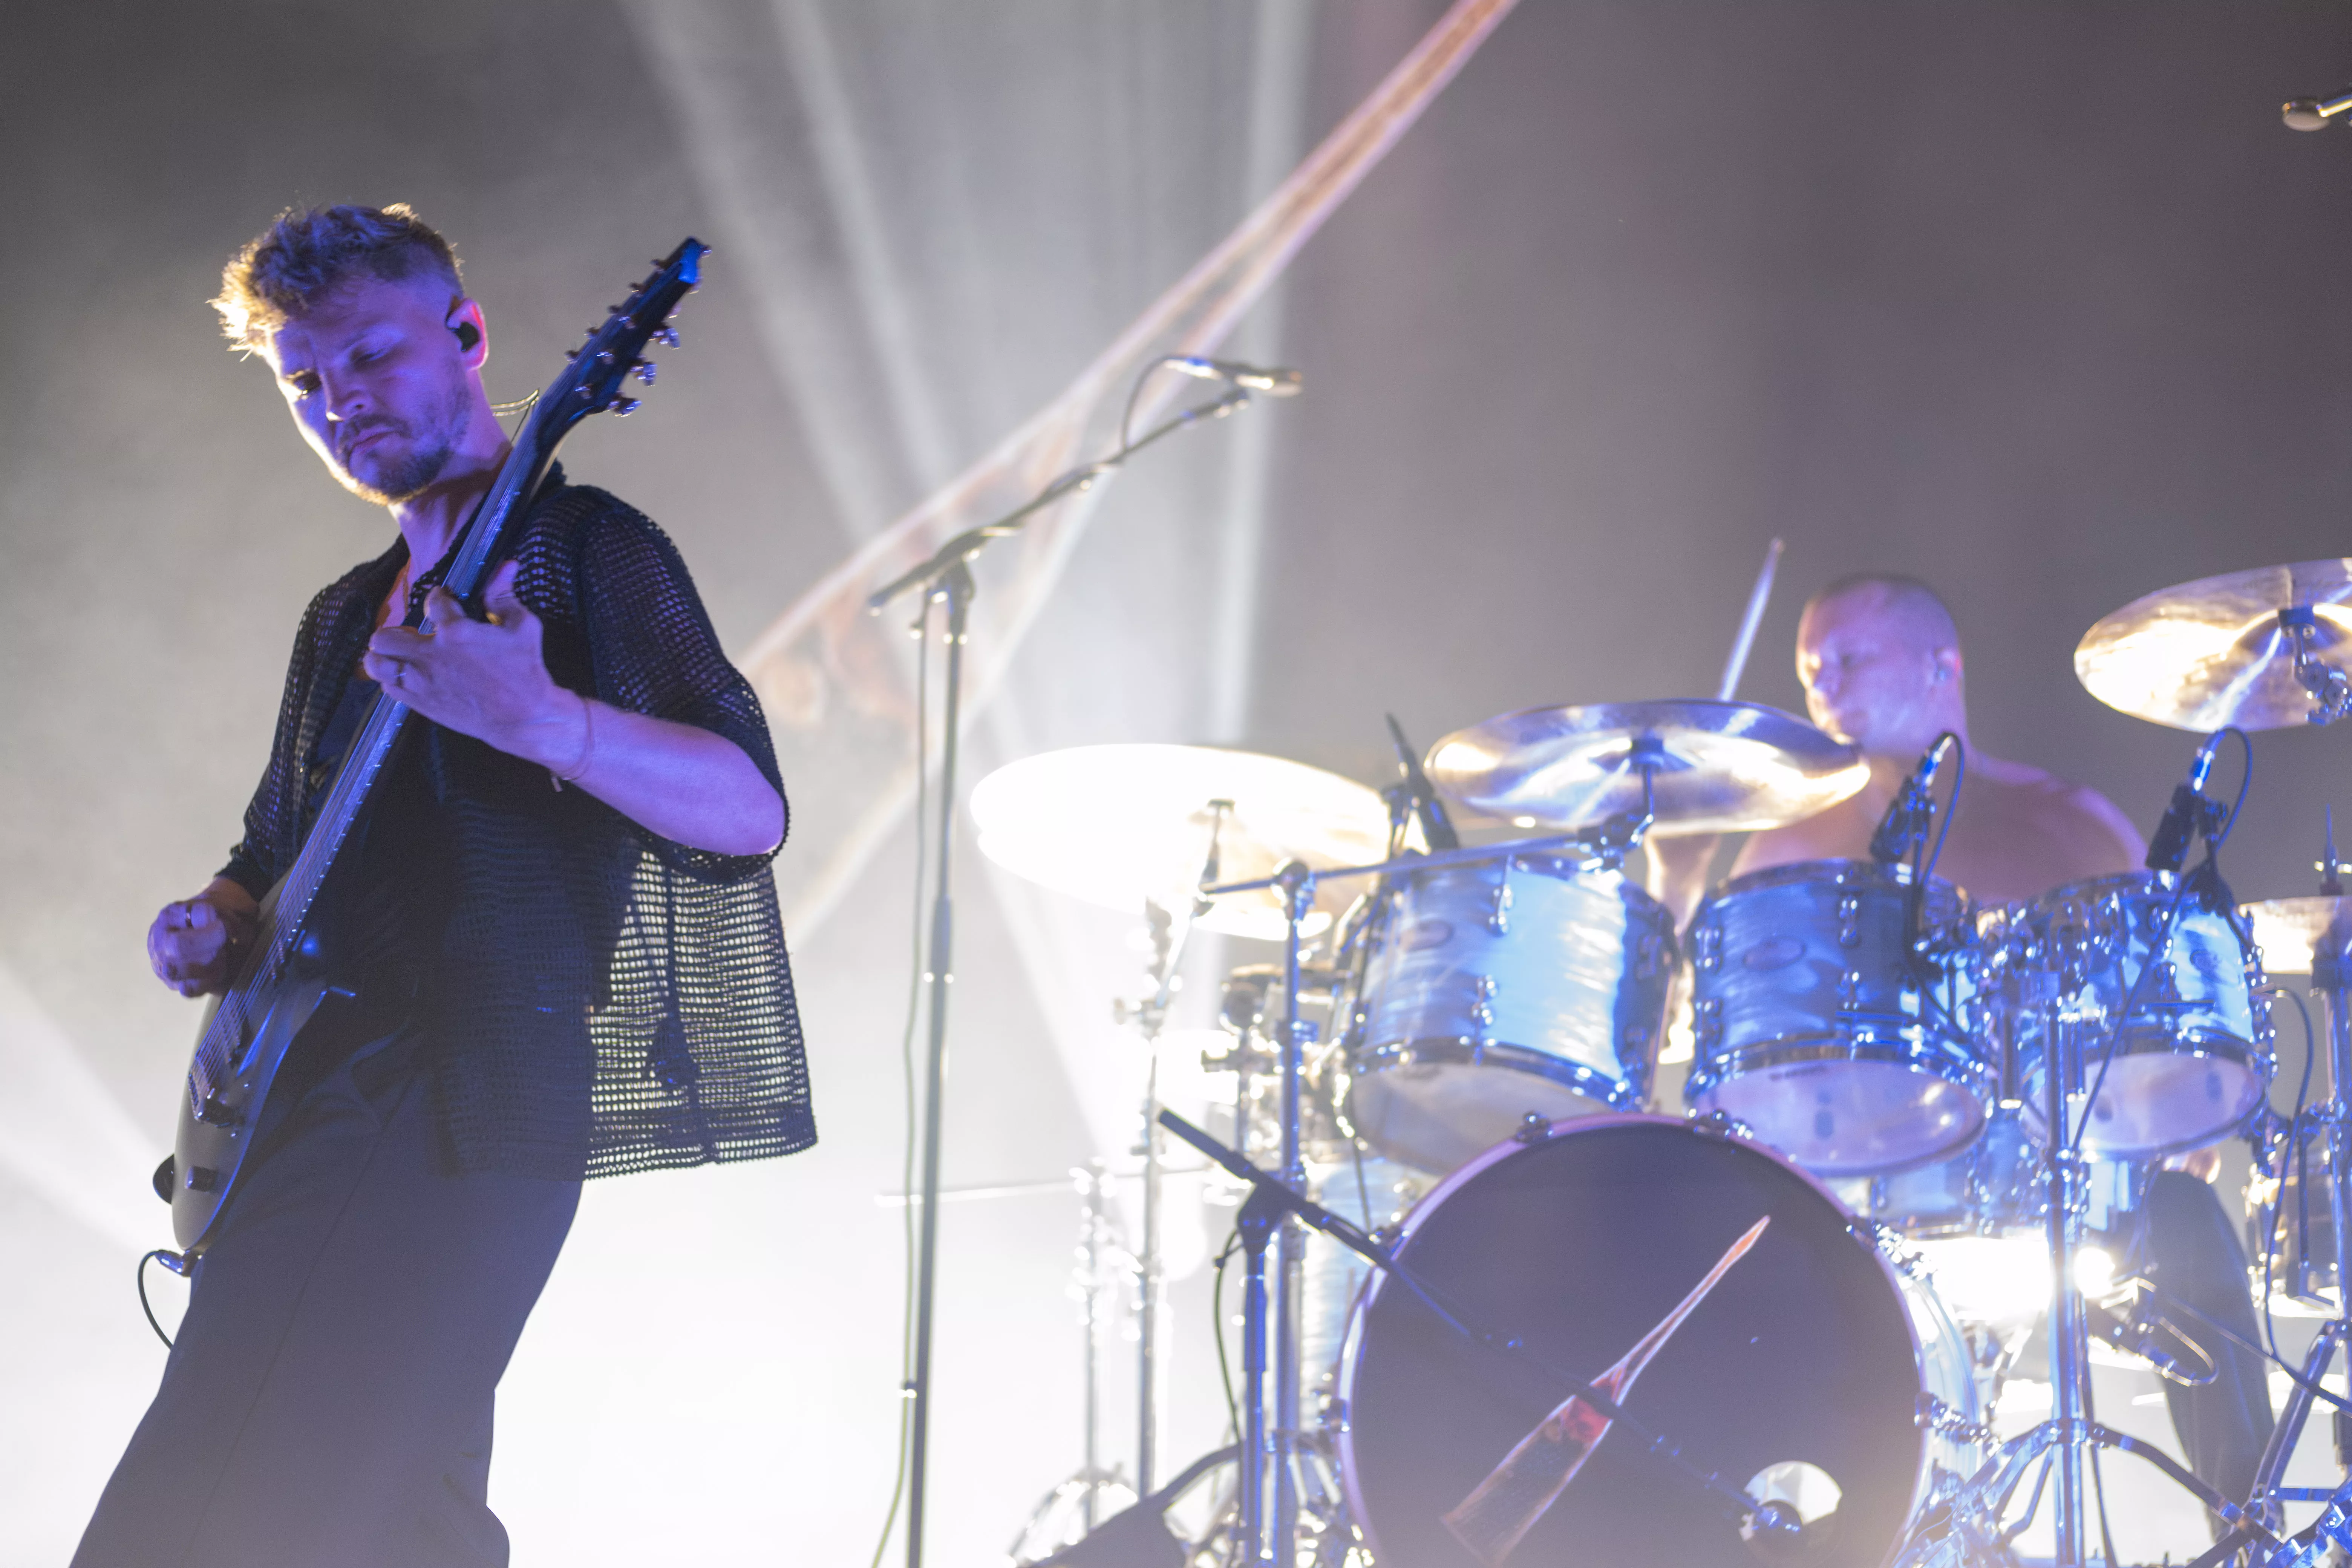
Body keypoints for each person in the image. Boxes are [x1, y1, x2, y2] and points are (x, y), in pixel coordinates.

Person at [74, 204, 813, 1567]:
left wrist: (547, 721)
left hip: (458, 1093)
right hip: (317, 1089)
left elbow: (748, 808)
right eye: (305, 383)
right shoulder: (343, 614)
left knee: (208, 1500)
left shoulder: (580, 546)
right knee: (403, 1518)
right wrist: (218, 923)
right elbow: (275, 850)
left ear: (467, 336)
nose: (337, 402)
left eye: (366, 358)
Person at [1655, 572, 2272, 1518]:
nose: (1823, 686)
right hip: (1851, 1207)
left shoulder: (2067, 823)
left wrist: (2176, 1115)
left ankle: (2249, 1525)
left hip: (2053, 1196)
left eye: (1851, 657)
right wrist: (1675, 884)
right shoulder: (1785, 850)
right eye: (1811, 667)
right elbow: (1690, 1035)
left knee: (2191, 1226)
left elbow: (2165, 1016)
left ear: (1944, 665)